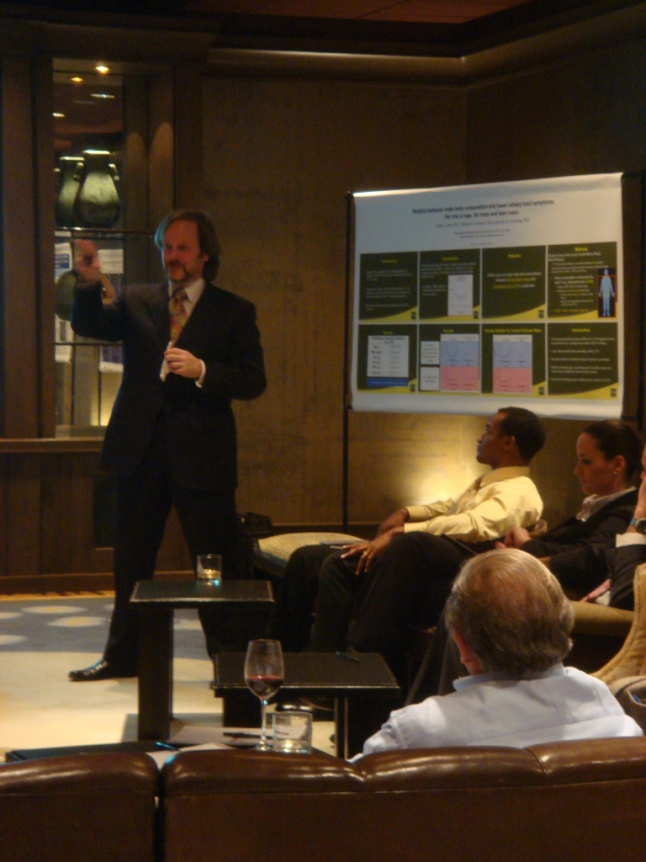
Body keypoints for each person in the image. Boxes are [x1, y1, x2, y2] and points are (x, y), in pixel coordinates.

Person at [68, 209, 266, 681]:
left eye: (181, 248)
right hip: (139, 452)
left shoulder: (235, 311)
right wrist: (88, 280)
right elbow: (91, 324)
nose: (172, 257)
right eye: (166, 248)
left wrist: (203, 371)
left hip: (203, 457)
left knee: (212, 565)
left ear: (204, 253)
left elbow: (253, 381)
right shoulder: (138, 299)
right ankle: (122, 656)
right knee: (131, 561)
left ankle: (227, 660)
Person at [272, 407, 545, 653]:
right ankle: (286, 663)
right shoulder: (489, 482)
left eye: (488, 431)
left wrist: (401, 532)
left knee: (344, 563)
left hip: (459, 568)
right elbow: (451, 506)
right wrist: (406, 513)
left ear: (509, 442)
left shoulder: (520, 491)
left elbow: (474, 524)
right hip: (419, 559)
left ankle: (334, 675)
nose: (479, 438)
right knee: (306, 560)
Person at [409, 420, 643, 702]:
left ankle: (430, 708)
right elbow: (587, 551)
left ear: (617, 465)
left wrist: (528, 550)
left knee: (449, 581)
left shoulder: (626, 512)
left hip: (572, 607)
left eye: (585, 461)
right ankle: (418, 699)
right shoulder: (601, 510)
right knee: (437, 589)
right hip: (554, 594)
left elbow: (597, 563)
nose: (575, 470)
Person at [354, 548, 642, 759]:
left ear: (462, 646)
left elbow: (335, 805)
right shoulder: (612, 714)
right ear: (564, 626)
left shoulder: (414, 733)